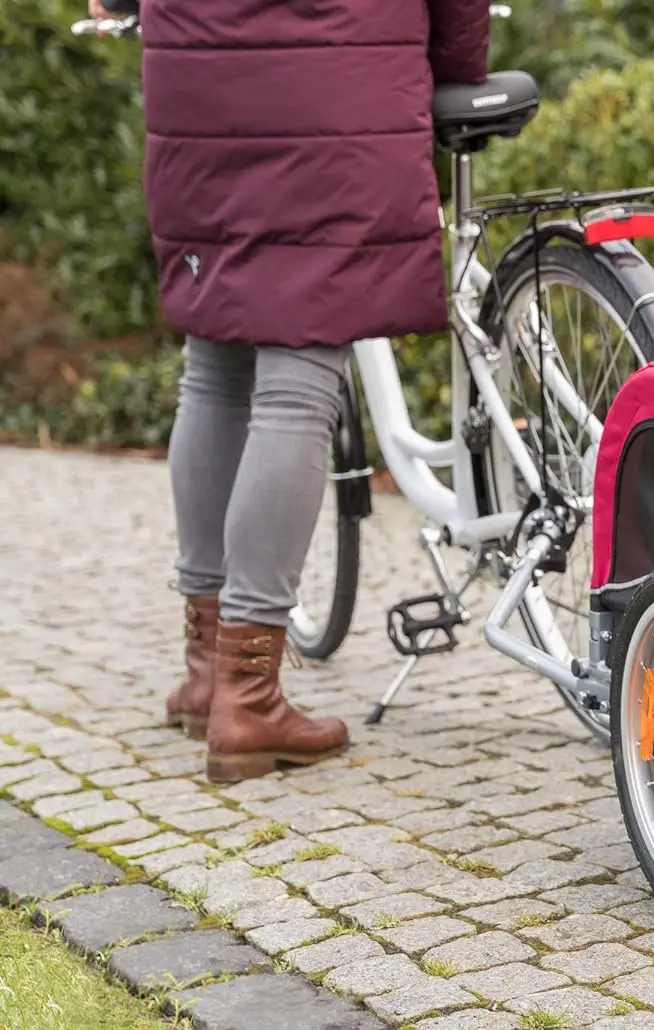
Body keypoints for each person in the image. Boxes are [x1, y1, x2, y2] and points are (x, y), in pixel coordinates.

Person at [91, 0, 492, 783]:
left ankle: (209, 671)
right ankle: (249, 698)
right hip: (333, 86)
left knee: (210, 365)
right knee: (300, 381)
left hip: (198, 82)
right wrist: (457, 69)